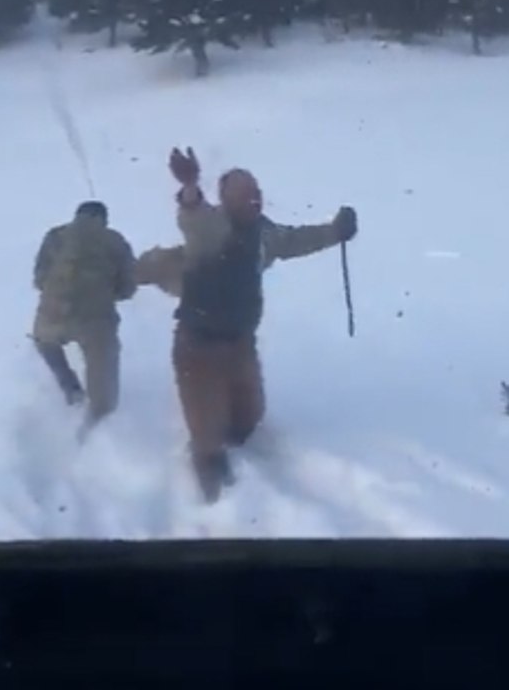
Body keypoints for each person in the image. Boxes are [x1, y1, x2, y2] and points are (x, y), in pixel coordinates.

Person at [137, 148, 358, 503]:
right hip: (199, 348)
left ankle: (232, 433)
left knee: (247, 418)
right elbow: (193, 215)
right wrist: (191, 187)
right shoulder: (211, 230)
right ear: (225, 200)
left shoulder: (263, 235)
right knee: (207, 434)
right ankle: (209, 490)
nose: (254, 199)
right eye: (244, 195)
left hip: (240, 343)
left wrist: (335, 232)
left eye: (256, 192)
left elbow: (296, 240)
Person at [31, 200, 136, 437]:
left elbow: (39, 279)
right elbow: (128, 288)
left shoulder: (55, 236)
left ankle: (71, 390)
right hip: (95, 321)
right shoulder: (115, 241)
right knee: (104, 387)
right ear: (104, 220)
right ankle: (97, 429)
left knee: (45, 342)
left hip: (51, 315)